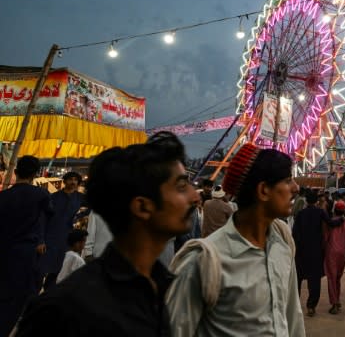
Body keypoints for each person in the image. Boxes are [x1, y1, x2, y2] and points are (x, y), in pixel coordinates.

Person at [16, 132, 201, 336]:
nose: (194, 197)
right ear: (142, 207)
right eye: (182, 187)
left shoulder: (172, 288)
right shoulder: (65, 309)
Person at [166, 144, 305, 336]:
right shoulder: (203, 260)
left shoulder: (282, 241)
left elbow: (292, 316)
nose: (296, 188)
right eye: (288, 180)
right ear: (263, 190)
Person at [0, 155, 52, 336]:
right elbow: (47, 221)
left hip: (3, 252)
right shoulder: (42, 196)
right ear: (35, 174)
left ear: (15, 172)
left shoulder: (3, 196)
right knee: (15, 301)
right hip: (25, 256)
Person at [40, 170, 85, 290]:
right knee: (43, 268)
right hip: (51, 236)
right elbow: (44, 218)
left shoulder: (80, 198)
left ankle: (49, 294)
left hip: (68, 238)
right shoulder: (53, 197)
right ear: (64, 181)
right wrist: (41, 239)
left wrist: (78, 217)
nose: (73, 182)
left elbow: (91, 207)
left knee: (61, 269)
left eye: (76, 180)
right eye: (70, 179)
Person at [292, 190, 328, 316]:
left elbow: (294, 233)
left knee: (297, 279)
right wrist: (342, 220)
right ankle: (311, 306)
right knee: (314, 281)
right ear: (316, 201)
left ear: (306, 200)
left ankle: (295, 305)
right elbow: (330, 223)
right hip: (316, 251)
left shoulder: (301, 214)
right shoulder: (320, 212)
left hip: (301, 251)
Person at [324, 200, 345, 314]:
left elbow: (325, 238)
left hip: (331, 252)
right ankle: (337, 300)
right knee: (337, 278)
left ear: (334, 210)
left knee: (331, 278)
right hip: (342, 252)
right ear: (344, 210)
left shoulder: (329, 222)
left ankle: (334, 302)